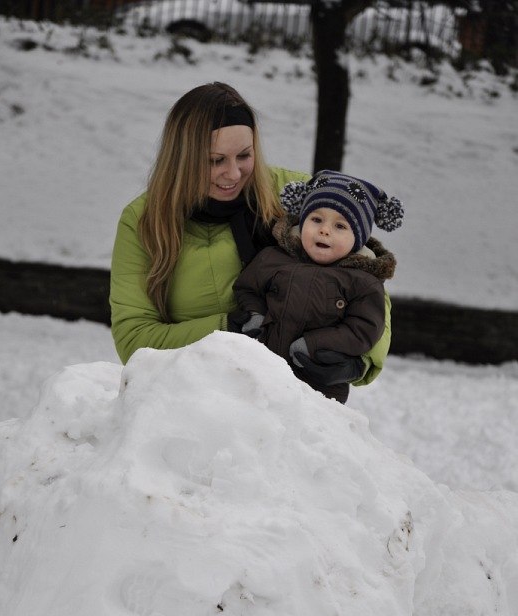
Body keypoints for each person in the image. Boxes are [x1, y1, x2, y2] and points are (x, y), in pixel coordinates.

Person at [110, 82, 392, 391]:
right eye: (214, 160)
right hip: (192, 396)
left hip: (293, 394)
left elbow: (367, 282)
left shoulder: (297, 197)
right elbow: (134, 337)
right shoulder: (145, 221)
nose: (233, 174)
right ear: (182, 158)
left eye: (243, 156)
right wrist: (225, 329)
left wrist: (358, 363)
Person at [233, 171, 404, 403]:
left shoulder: (363, 282)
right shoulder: (273, 257)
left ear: (358, 238)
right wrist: (254, 314)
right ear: (302, 221)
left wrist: (315, 344)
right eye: (316, 220)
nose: (324, 230)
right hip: (260, 373)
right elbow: (247, 288)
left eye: (340, 226)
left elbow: (364, 328)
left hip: (317, 389)